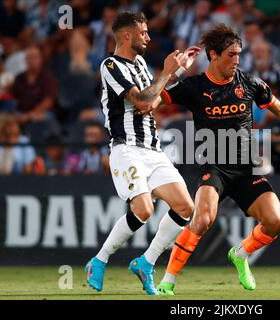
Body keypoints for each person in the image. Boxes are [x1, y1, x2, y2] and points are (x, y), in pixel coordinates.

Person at [152, 24, 280, 295]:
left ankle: (240, 254)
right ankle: (168, 280)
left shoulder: (248, 83)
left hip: (246, 169)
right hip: (213, 167)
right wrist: (171, 71)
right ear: (213, 55)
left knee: (275, 221)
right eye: (230, 55)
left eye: (239, 54)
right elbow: (152, 102)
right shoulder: (193, 86)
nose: (236, 60)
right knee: (202, 219)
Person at [84, 11, 200, 296]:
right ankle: (99, 260)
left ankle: (146, 263)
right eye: (143, 33)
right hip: (127, 149)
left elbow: (154, 99)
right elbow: (144, 102)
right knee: (144, 209)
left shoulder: (140, 64)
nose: (148, 37)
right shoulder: (110, 66)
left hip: (153, 149)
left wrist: (178, 72)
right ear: (127, 35)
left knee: (186, 207)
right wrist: (167, 72)